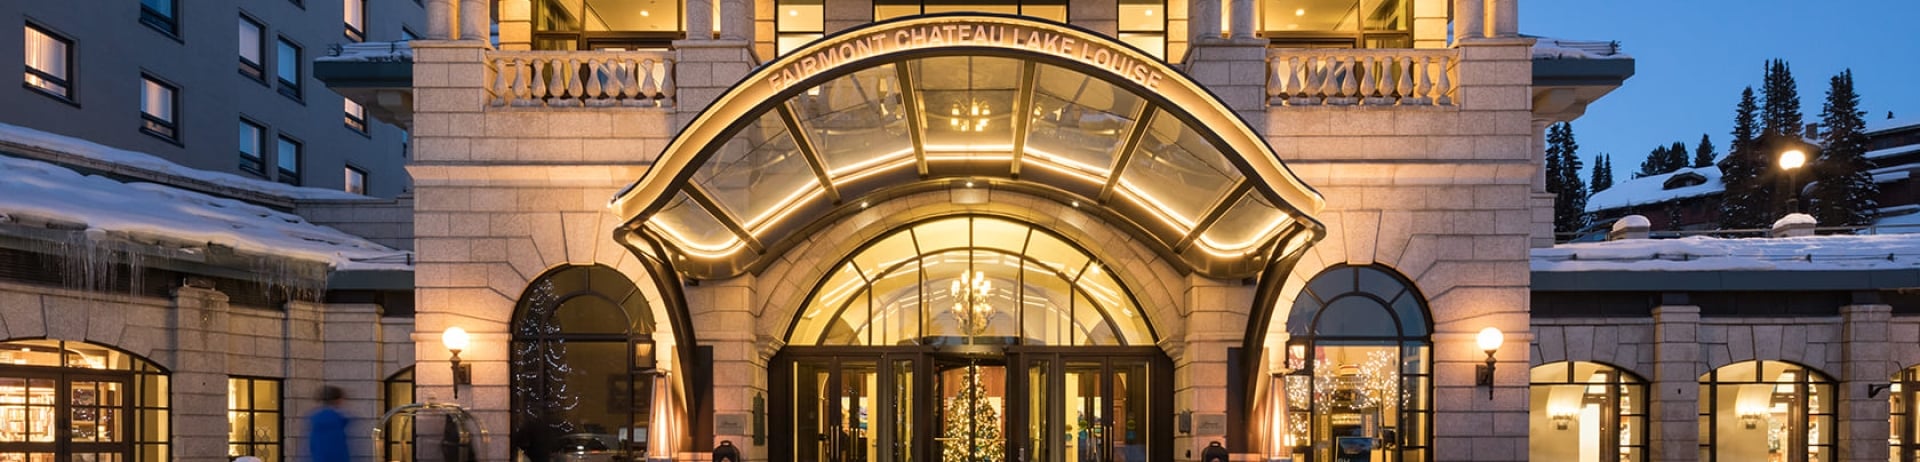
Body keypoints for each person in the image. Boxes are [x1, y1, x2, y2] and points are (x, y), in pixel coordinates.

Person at [308, 386, 351, 462]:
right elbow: (338, 450)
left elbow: (313, 446)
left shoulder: (315, 418)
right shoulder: (336, 419)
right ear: (337, 400)